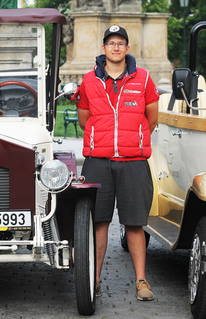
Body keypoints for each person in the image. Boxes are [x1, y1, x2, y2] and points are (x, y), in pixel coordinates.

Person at [74, 25, 159, 301]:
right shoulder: (88, 81)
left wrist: (131, 140)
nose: (116, 47)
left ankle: (141, 281)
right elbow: (85, 119)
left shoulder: (143, 79)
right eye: (111, 43)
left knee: (135, 223)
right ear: (103, 49)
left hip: (133, 162)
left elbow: (152, 119)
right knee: (98, 222)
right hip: (98, 161)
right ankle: (94, 280)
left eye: (121, 43)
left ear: (127, 48)